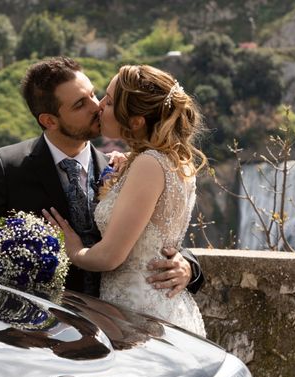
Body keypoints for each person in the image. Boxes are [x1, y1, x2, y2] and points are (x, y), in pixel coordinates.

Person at [0, 57, 203, 298]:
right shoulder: (8, 166)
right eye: (80, 104)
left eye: (94, 94)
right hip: (38, 325)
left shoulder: (125, 166)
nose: (97, 107)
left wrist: (188, 266)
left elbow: (159, 228)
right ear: (49, 120)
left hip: (117, 320)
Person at [43, 65, 206, 336]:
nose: (100, 106)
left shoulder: (149, 164)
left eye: (108, 100)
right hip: (152, 306)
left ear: (136, 121)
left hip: (138, 313)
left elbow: (109, 256)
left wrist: (73, 250)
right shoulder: (171, 161)